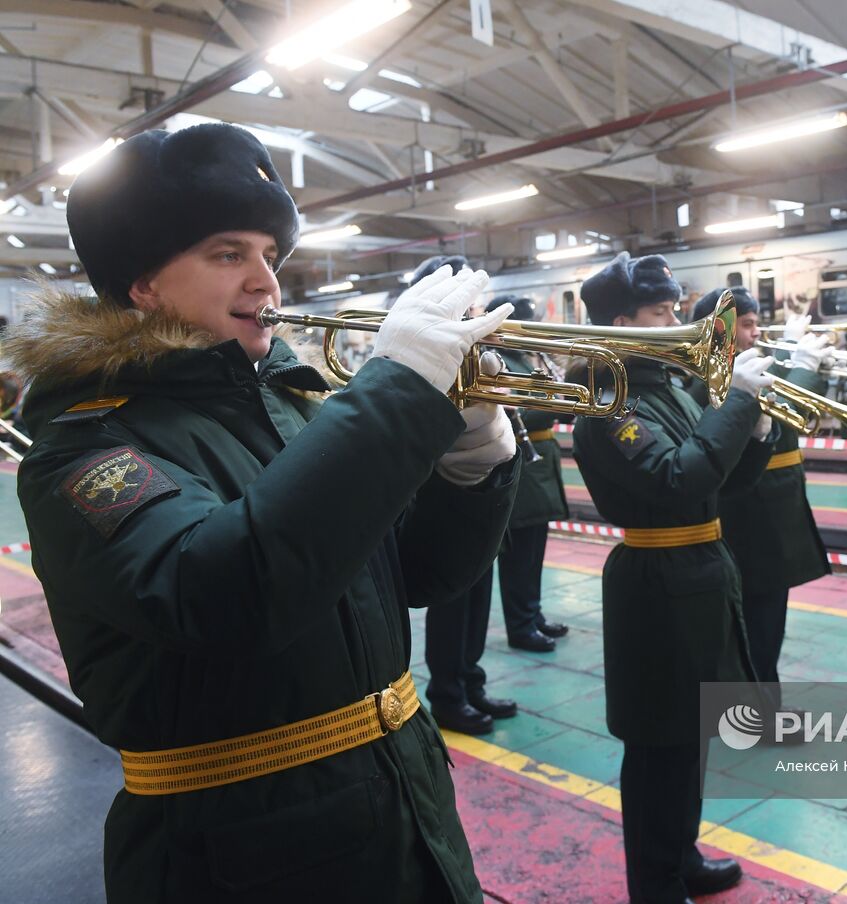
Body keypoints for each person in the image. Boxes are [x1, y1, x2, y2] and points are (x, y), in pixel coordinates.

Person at [6, 123, 520, 903]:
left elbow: (412, 573)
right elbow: (221, 590)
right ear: (142, 284)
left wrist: (468, 462)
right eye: (227, 253)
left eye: (269, 256)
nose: (265, 283)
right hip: (243, 853)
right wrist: (396, 395)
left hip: (406, 810)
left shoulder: (293, 405)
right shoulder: (83, 448)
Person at [570, 252, 778, 904]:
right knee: (659, 747)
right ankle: (653, 886)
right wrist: (737, 403)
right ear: (622, 320)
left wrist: (759, 430)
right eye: (662, 313)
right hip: (657, 581)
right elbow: (675, 479)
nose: (680, 323)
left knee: (689, 741)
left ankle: (679, 855)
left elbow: (720, 483)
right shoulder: (607, 401)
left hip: (699, 571)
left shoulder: (666, 387)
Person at [683, 289, 831, 710]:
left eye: (754, 324)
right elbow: (786, 420)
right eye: (745, 325)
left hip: (771, 516)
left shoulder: (744, 368)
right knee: (757, 625)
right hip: (749, 519)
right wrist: (800, 365)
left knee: (767, 624)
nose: (754, 334)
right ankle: (757, 710)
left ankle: (761, 702)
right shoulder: (711, 378)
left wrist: (793, 359)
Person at [407, 256, 526, 737]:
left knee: (478, 602)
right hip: (443, 503)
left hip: (480, 502)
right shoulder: (423, 360)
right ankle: (448, 694)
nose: (475, 317)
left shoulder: (477, 357)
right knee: (451, 606)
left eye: (475, 306)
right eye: (465, 308)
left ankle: (470, 681)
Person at [483, 292, 571, 652]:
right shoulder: (500, 359)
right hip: (521, 460)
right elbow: (512, 410)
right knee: (519, 553)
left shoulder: (534, 356)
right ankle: (521, 625)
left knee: (536, 550)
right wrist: (554, 401)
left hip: (542, 462)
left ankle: (533, 615)